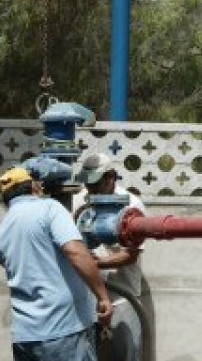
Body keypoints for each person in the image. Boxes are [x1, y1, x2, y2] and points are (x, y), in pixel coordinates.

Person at [0, 166, 113, 361]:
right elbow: (75, 252)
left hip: (25, 337)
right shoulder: (49, 208)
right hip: (63, 331)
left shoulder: (4, 226)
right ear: (33, 187)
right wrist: (102, 297)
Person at [74, 153, 146, 361]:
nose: (91, 189)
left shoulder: (131, 206)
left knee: (126, 354)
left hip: (122, 297)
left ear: (110, 178)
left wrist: (95, 263)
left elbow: (131, 254)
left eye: (95, 184)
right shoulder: (80, 200)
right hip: (88, 298)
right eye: (87, 184)